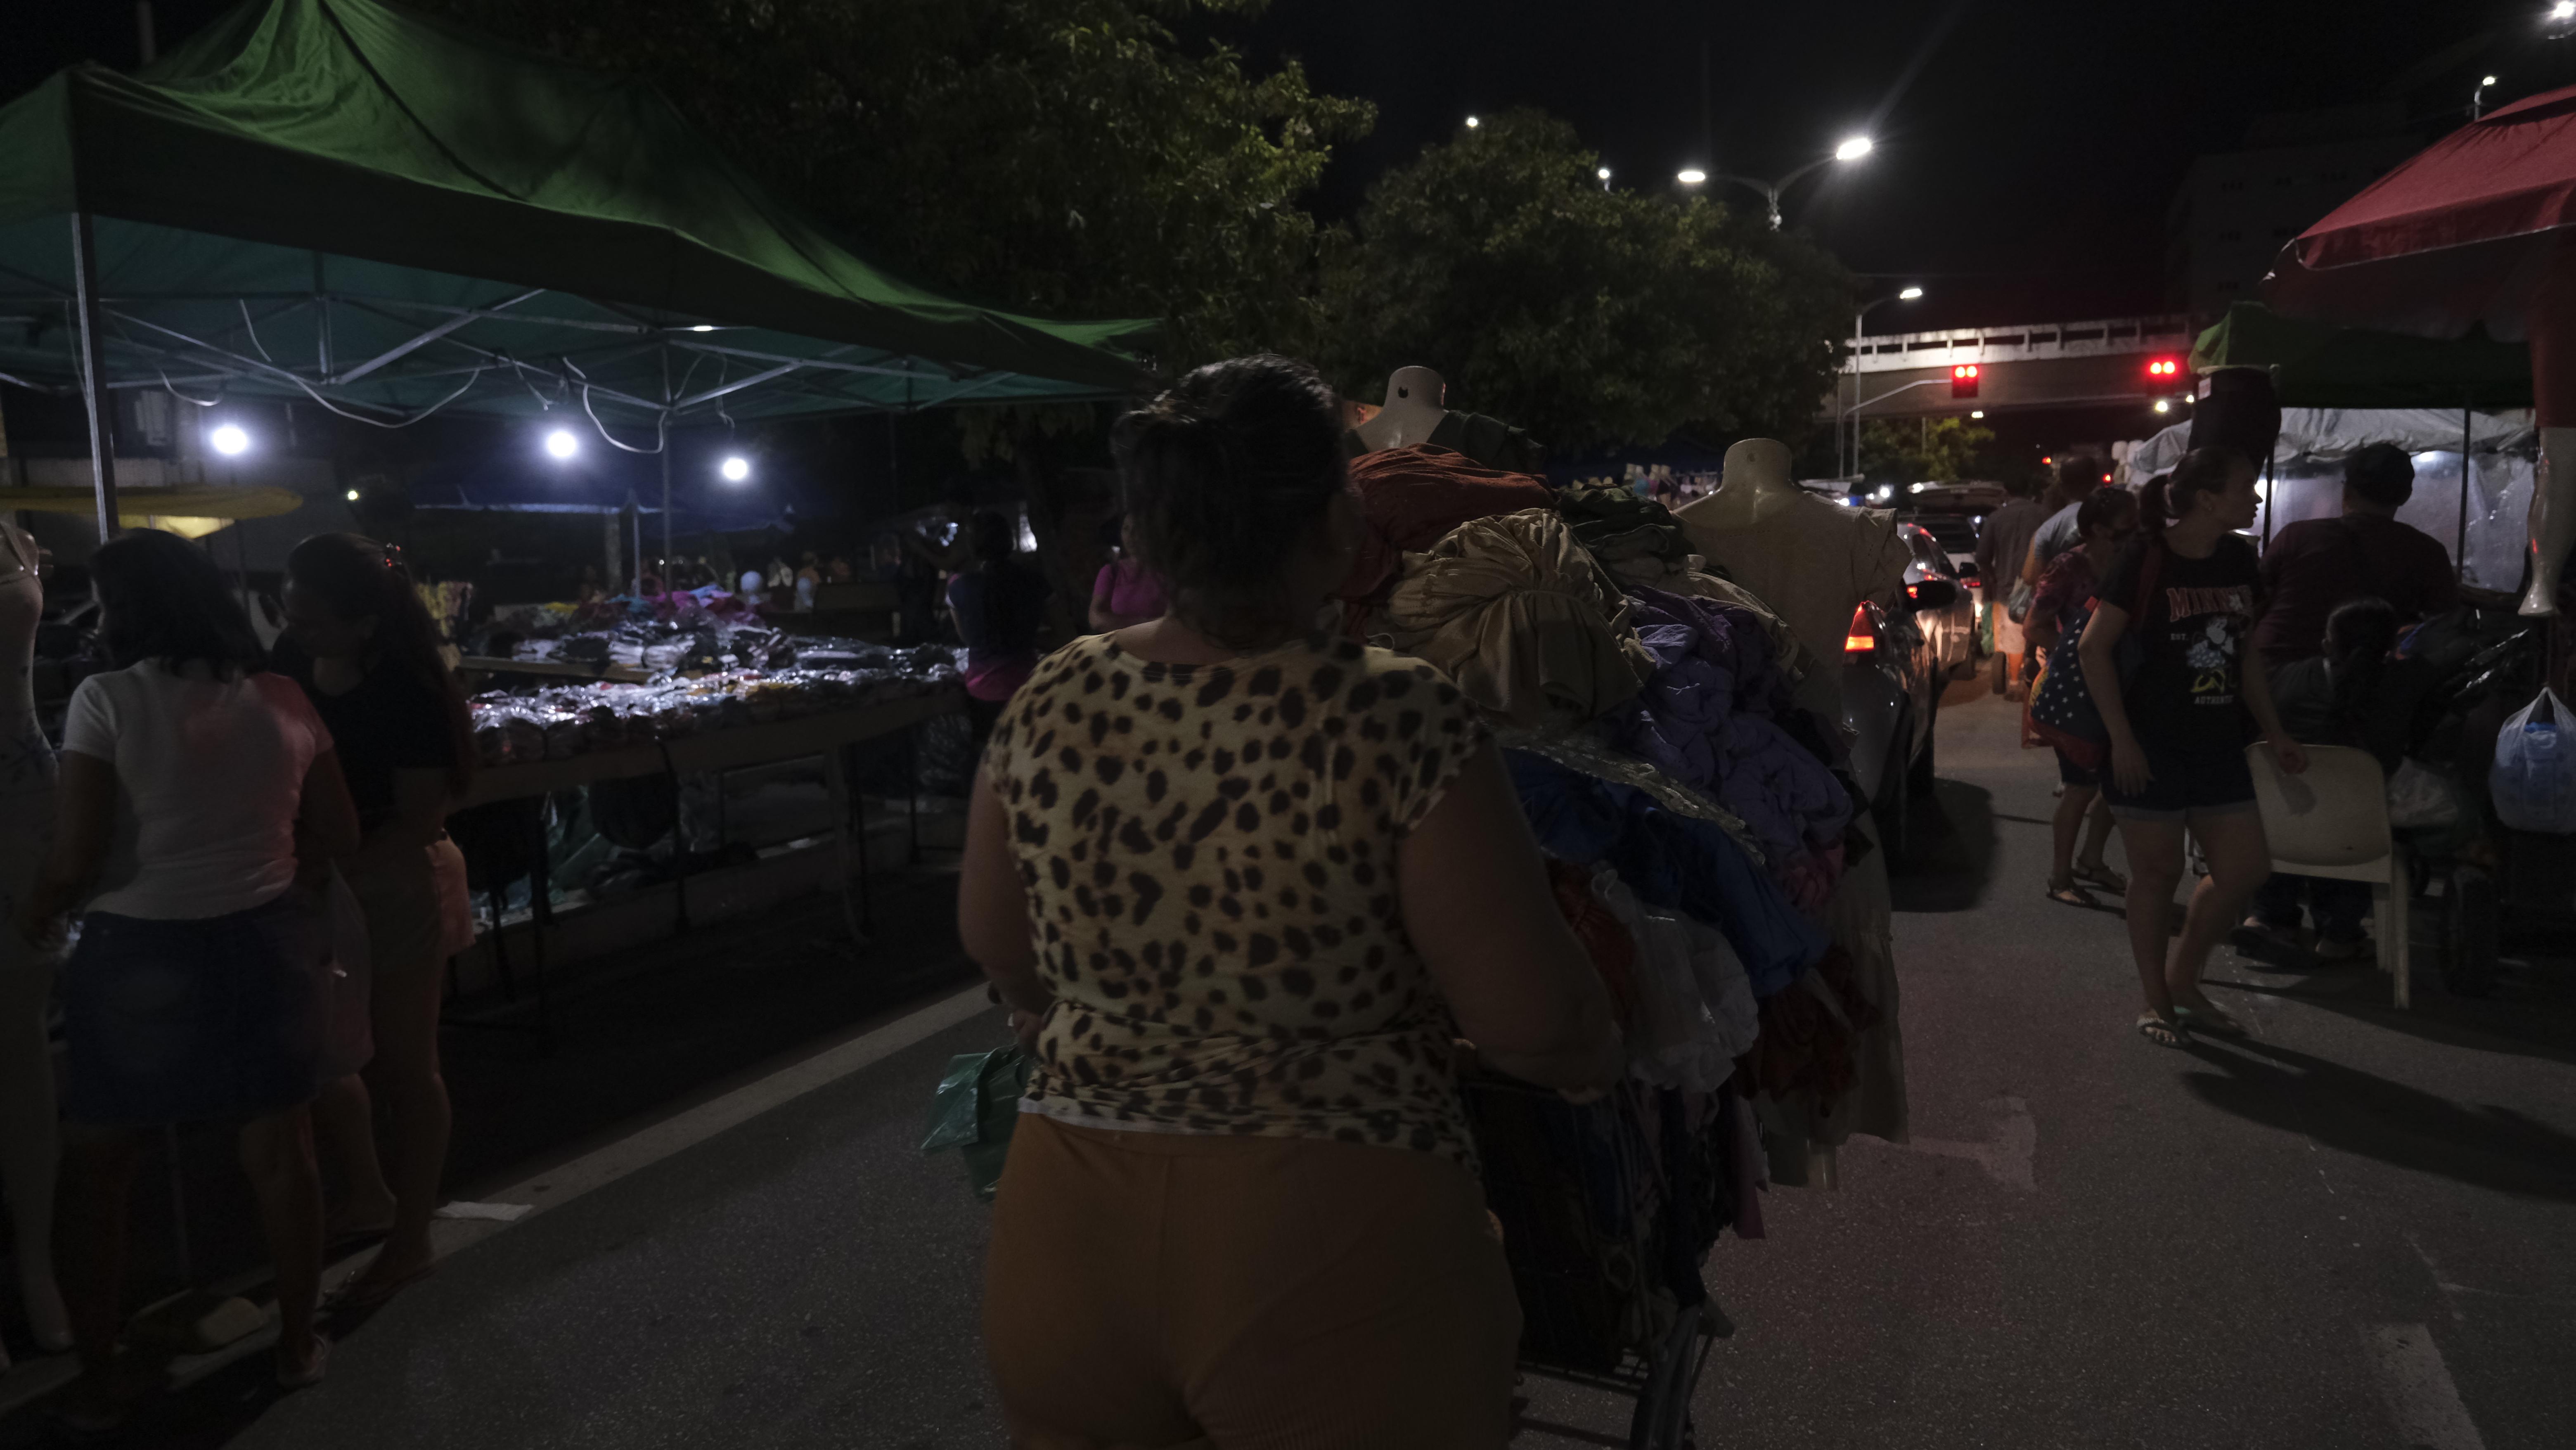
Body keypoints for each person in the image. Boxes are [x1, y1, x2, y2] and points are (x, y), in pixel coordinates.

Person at [964, 355, 1621, 1447]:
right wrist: (1596, 1051)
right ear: (1333, 522)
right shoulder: (1396, 718)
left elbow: (1002, 949)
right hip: (1328, 1254)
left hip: (1066, 1249)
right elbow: (1538, 1024)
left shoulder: (1055, 697)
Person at [16, 530, 359, 1422]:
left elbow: (78, 850)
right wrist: (285, 875)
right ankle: (295, 1343)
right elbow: (340, 833)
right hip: (264, 945)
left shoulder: (106, 699)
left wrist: (39, 906)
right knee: (283, 1158)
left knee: (100, 1169)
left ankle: (99, 1370)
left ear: (121, 611)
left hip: (140, 956)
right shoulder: (283, 696)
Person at [272, 535, 476, 1309]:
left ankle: (410, 1236)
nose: (296, 631)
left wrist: (332, 860)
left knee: (404, 1064)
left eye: (312, 619)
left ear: (364, 623)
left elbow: (419, 816)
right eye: (288, 616)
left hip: (386, 886)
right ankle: (368, 1195)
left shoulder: (408, 690)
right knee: (322, 1061)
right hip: (309, 882)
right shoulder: (289, 668)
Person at [2077, 449, 2306, 1048]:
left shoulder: (2236, 557)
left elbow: (2244, 651)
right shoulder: (2145, 557)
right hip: (2149, 743)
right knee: (2157, 874)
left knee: (2245, 869)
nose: (2255, 500)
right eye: (2244, 490)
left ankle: (2183, 979)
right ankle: (2158, 1001)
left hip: (2216, 743)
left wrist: (2273, 729)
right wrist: (2122, 739)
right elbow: (2092, 650)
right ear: (2207, 500)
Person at [2238, 597, 2440, 964]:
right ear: (2392, 646)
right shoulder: (2411, 681)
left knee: (2295, 804)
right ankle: (2340, 933)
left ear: (2327, 643)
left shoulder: (2284, 678)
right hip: (2359, 840)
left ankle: (2268, 918)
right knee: (2357, 816)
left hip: (2277, 834)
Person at [2026, 486, 2140, 907]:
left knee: (2115, 784)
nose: (2134, 537)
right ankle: (2060, 874)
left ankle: (2092, 860)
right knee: (2078, 787)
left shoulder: (2133, 562)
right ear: (2096, 529)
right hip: (2078, 693)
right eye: (2125, 530)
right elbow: (2035, 625)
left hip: (2119, 684)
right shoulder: (2069, 566)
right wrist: (2072, 656)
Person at [2254, 442, 2458, 668]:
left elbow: (2256, 598)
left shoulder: (2297, 535)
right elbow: (2443, 624)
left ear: (2347, 491)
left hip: (2275, 672)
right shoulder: (2427, 552)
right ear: (2406, 496)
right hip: (2358, 681)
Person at [947, 510, 1051, 755]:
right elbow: (1060, 630)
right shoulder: (1035, 581)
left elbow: (966, 637)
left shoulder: (958, 586)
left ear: (972, 546)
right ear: (1009, 540)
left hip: (983, 689)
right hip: (1027, 684)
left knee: (991, 760)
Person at [1974, 475, 2049, 698]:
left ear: (2006, 492)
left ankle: (2015, 683)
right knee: (2038, 633)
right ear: (2030, 491)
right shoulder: (2045, 515)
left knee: (2012, 637)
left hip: (2006, 589)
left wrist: (1992, 577)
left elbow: (1982, 556)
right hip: (2041, 588)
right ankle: (2038, 684)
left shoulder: (1996, 518)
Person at [2022, 455, 2110, 587]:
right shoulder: (2114, 517)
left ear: (2062, 488)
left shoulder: (2048, 529)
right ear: (2096, 482)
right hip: (2107, 603)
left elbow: (2030, 577)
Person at [1086, 515, 1169, 633]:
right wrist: (1146, 623)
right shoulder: (1112, 572)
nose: (1130, 536)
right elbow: (1096, 618)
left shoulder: (1168, 573)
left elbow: (1176, 619)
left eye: (1137, 529)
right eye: (1126, 529)